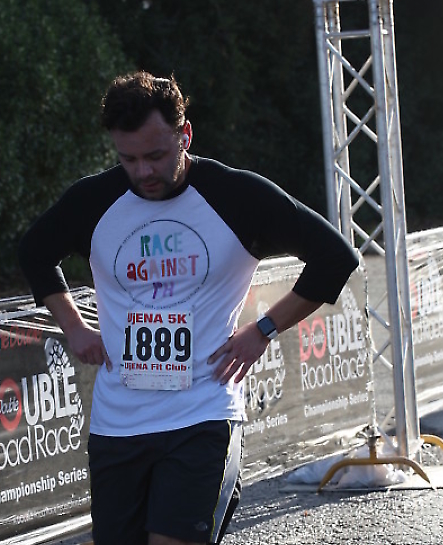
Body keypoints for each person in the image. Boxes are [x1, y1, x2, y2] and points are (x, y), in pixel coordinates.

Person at [18, 71, 359, 545]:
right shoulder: (93, 201)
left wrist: (263, 329)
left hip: (203, 414)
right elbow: (34, 252)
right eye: (128, 158)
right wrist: (74, 327)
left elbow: (335, 256)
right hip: (118, 422)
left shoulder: (236, 196)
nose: (143, 172)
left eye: (156, 155)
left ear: (186, 135)